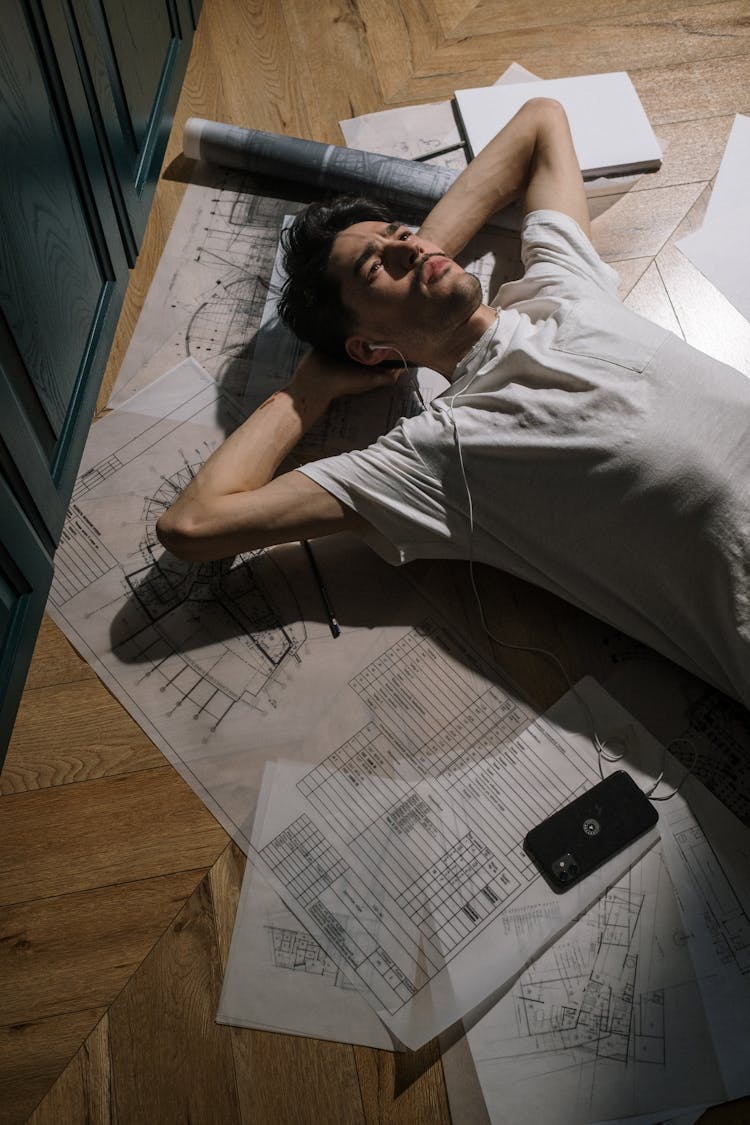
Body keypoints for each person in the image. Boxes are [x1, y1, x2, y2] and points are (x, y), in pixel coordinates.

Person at [156, 98, 750, 707]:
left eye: (400, 234)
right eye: (374, 268)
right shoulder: (439, 456)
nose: (408, 248)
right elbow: (192, 524)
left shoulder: (558, 286)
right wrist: (308, 388)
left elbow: (541, 121)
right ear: (367, 348)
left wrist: (423, 255)